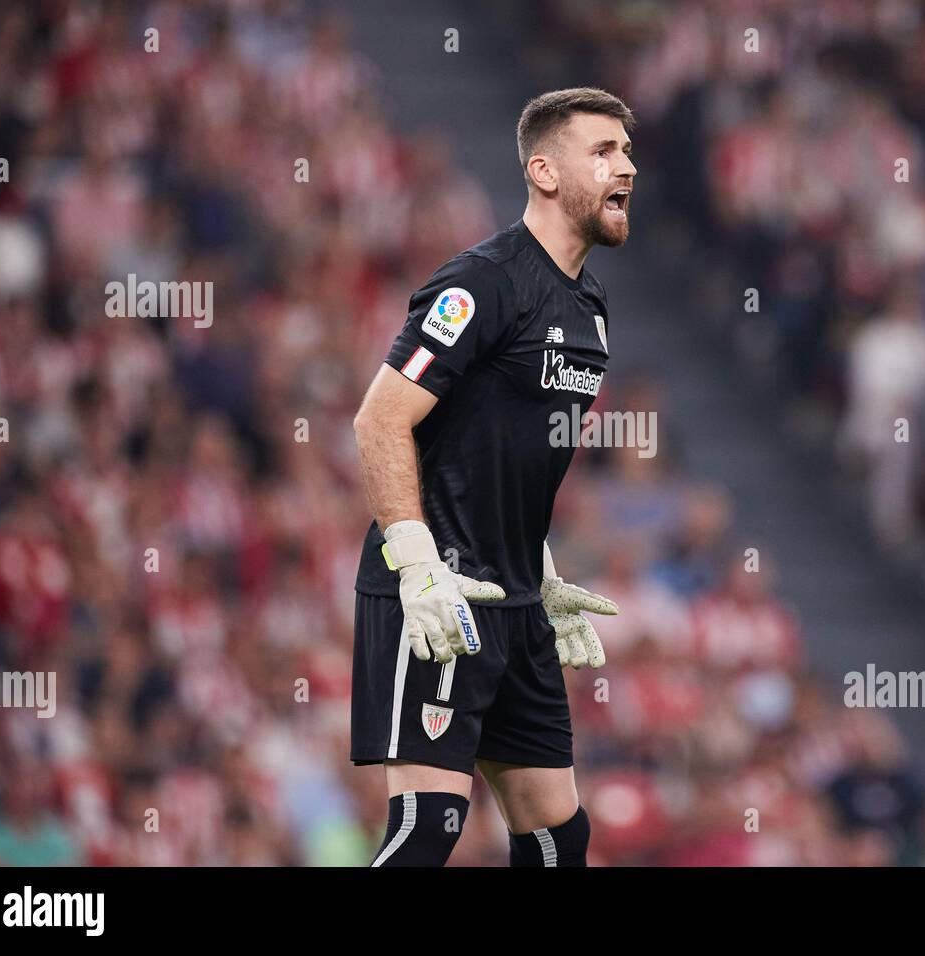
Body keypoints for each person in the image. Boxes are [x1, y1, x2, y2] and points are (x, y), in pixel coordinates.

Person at [350, 87, 637, 866]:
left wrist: (539, 571)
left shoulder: (591, 307)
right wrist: (415, 562)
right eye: (604, 152)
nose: (627, 168)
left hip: (514, 598)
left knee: (556, 834)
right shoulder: (480, 283)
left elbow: (502, 451)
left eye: (628, 151)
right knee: (428, 831)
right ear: (543, 171)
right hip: (442, 597)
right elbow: (380, 419)